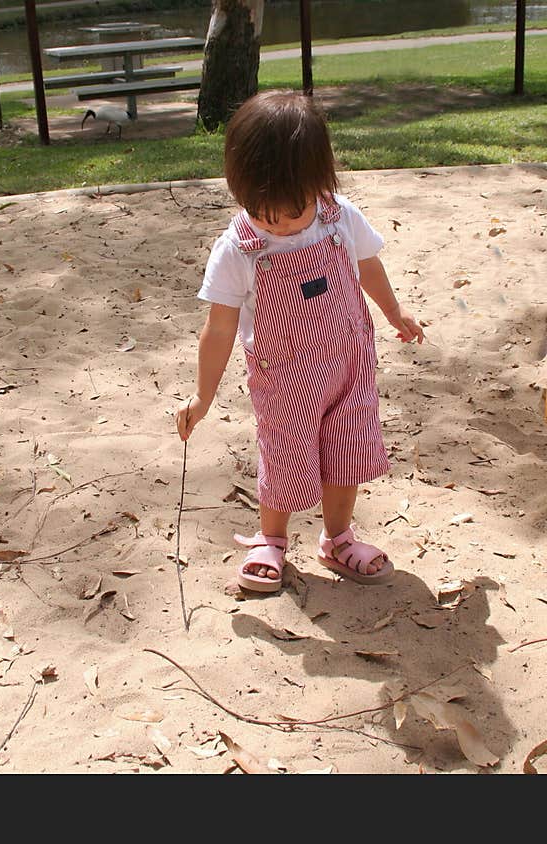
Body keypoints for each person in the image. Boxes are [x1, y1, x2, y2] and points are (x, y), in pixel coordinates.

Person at [175, 90, 424, 593]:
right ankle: (272, 538)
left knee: (347, 451)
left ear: (317, 182)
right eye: (262, 211)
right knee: (285, 457)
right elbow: (219, 329)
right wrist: (203, 396)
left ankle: (338, 538)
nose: (278, 225)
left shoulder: (338, 217)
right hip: (284, 378)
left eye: (291, 211)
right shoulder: (238, 250)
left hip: (349, 365)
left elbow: (369, 265)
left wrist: (394, 310)